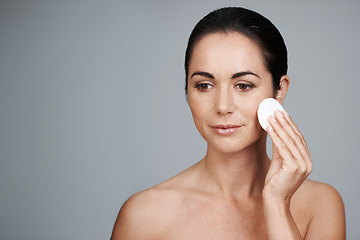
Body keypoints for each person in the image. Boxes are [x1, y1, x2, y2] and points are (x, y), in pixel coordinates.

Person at [111, 7, 345, 239]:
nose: (222, 106)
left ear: (279, 90)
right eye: (204, 85)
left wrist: (277, 203)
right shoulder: (143, 215)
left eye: (243, 85)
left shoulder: (320, 206)